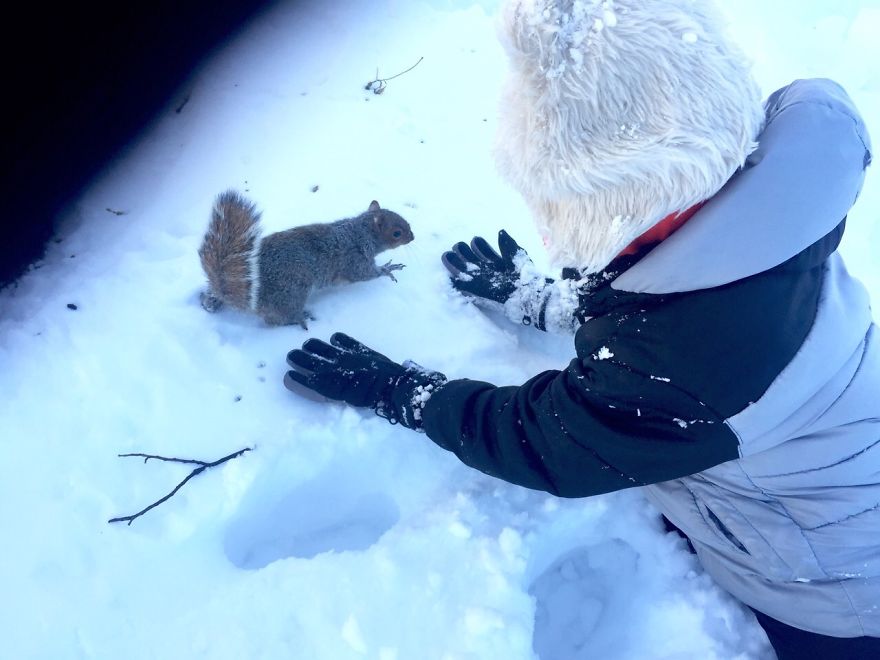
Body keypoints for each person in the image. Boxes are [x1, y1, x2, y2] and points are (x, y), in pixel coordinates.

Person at [284, 1, 878, 657]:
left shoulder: (684, 365)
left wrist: (405, 392)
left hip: (840, 596)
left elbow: (544, 441)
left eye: (564, 212)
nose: (553, 235)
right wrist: (539, 301)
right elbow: (674, 304)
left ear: (624, 206)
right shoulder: (770, 210)